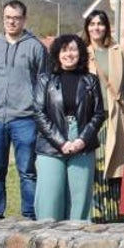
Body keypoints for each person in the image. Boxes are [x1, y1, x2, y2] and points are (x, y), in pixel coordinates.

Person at [0, 0, 49, 219]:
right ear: (3, 19)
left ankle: (29, 216)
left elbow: (43, 82)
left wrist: (31, 105)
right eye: (8, 17)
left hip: (25, 119)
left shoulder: (36, 47)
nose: (12, 21)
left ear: (24, 20)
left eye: (16, 18)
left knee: (27, 172)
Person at [32, 34, 106, 221]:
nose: (69, 54)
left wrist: (82, 140)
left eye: (73, 49)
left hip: (82, 142)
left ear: (80, 53)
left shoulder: (91, 80)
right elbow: (39, 113)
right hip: (51, 144)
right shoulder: (44, 80)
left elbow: (98, 114)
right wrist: (61, 143)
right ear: (57, 53)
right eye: (64, 50)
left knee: (80, 200)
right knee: (50, 198)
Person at [84, 9, 124, 223]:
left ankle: (115, 213)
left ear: (106, 27)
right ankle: (95, 214)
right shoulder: (82, 53)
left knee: (114, 166)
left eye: (100, 23)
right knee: (95, 165)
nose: (96, 27)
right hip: (91, 117)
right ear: (87, 27)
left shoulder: (117, 51)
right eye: (92, 24)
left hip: (113, 115)